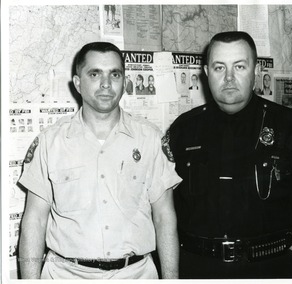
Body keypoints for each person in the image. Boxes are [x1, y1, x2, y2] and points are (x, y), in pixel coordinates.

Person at [168, 31, 292, 279]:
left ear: (255, 71)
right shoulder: (183, 130)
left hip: (270, 269)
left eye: (240, 66)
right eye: (219, 67)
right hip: (197, 269)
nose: (229, 78)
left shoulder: (289, 128)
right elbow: (165, 211)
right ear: (206, 72)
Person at [18, 42, 182, 280]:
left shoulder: (150, 139)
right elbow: (34, 221)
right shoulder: (50, 142)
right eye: (95, 74)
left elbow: (164, 217)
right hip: (66, 275)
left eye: (114, 74)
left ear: (124, 81)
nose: (106, 84)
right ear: (77, 83)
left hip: (135, 274)